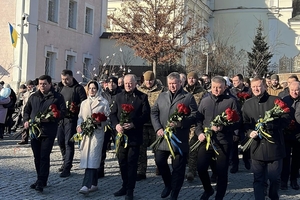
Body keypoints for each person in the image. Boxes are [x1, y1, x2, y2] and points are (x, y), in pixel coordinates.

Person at [151, 72, 198, 200]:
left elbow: (194, 115)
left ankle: (175, 194)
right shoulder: (161, 96)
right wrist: (158, 128)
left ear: (180, 83)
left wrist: (181, 123)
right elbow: (154, 112)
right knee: (160, 161)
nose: (172, 86)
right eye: (170, 84)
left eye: (175, 84)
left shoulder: (188, 97)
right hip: (163, 137)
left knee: (178, 168)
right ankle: (168, 184)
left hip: (179, 138)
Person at [243, 76, 288, 200]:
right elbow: (244, 124)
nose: (256, 89)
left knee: (274, 178)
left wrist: (271, 125)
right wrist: (249, 132)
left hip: (274, 147)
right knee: (258, 179)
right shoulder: (247, 104)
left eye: (258, 86)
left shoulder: (276, 100)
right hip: (256, 148)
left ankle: (273, 196)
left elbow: (286, 119)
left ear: (264, 86)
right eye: (253, 87)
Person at [195, 76, 239, 200]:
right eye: (214, 87)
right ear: (211, 87)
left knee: (221, 171)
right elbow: (198, 120)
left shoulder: (231, 101)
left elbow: (237, 121)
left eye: (220, 88)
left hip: (223, 141)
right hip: (206, 140)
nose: (217, 90)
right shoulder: (205, 101)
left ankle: (219, 196)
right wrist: (199, 133)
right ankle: (208, 190)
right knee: (201, 167)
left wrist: (223, 127)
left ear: (225, 87)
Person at [110, 74, 150, 200]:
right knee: (122, 162)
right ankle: (124, 185)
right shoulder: (118, 97)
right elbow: (112, 114)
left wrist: (133, 124)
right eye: (126, 83)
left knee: (132, 163)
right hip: (121, 136)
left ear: (135, 83)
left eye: (130, 83)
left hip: (134, 136)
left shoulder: (142, 97)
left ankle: (130, 190)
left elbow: (145, 115)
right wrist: (116, 125)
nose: (128, 85)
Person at [23, 75, 66, 192]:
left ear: (50, 84)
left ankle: (41, 181)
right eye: (40, 84)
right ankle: (40, 179)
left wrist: (51, 118)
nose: (42, 86)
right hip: (35, 131)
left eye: (45, 84)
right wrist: (26, 120)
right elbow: (27, 110)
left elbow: (62, 112)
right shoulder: (34, 96)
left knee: (44, 156)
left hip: (48, 131)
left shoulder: (57, 97)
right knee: (37, 156)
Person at [76, 80, 110, 194]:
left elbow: (108, 119)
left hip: (96, 134)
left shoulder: (103, 102)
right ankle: (94, 184)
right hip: (86, 134)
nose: (91, 90)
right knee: (89, 159)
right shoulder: (84, 103)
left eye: (94, 88)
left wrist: (99, 122)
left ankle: (86, 185)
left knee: (92, 158)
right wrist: (79, 126)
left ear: (98, 89)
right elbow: (80, 117)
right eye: (90, 88)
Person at [56, 69, 87, 177]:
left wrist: (76, 108)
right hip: (61, 119)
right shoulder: (59, 87)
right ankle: (65, 161)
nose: (65, 81)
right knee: (60, 141)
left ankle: (67, 167)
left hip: (71, 119)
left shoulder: (78, 88)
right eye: (63, 79)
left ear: (72, 77)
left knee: (69, 143)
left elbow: (84, 103)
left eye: (67, 79)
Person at [136, 70, 165, 181]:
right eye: (147, 80)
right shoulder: (139, 90)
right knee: (141, 149)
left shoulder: (161, 90)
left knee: (157, 148)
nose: (149, 83)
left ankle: (160, 167)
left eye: (151, 80)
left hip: (155, 124)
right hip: (142, 124)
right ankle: (141, 170)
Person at [184, 71, 207, 182]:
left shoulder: (203, 92)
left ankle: (191, 171)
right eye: (189, 78)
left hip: (195, 124)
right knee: (185, 147)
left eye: (193, 78)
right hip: (183, 123)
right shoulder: (182, 91)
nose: (191, 80)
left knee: (193, 147)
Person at [98, 76, 122, 178]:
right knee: (102, 147)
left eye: (113, 82)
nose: (111, 84)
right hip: (106, 124)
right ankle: (100, 170)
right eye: (109, 82)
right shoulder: (103, 95)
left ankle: (122, 168)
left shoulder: (120, 94)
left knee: (119, 148)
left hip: (116, 124)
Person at [229, 74, 252, 173]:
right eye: (233, 81)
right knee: (234, 142)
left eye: (236, 81)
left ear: (242, 81)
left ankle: (247, 159)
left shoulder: (249, 91)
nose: (234, 83)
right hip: (235, 119)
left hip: (247, 119)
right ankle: (234, 164)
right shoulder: (231, 92)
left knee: (246, 141)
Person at [281, 81, 300, 190]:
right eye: (292, 90)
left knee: (297, 159)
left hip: (299, 134)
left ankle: (293, 180)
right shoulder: (285, 100)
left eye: (296, 90)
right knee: (285, 158)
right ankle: (284, 180)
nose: (294, 92)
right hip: (286, 134)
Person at [17, 80, 37, 145]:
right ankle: (24, 139)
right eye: (28, 86)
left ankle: (34, 139)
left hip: (33, 111)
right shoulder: (25, 93)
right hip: (25, 111)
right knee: (24, 126)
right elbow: (23, 103)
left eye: (30, 86)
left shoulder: (35, 93)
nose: (29, 87)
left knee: (33, 126)